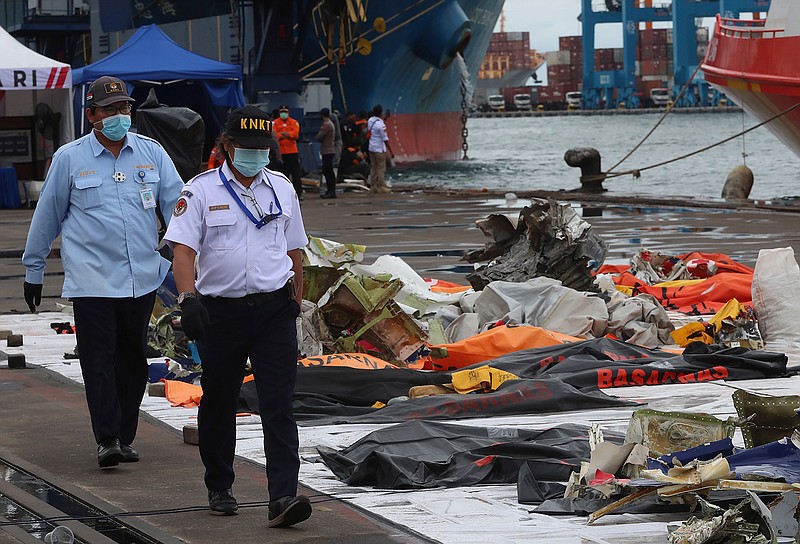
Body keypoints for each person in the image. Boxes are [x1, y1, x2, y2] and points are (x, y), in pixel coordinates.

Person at [21, 75, 184, 468]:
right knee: (98, 359)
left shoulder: (151, 153)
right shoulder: (70, 159)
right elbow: (47, 217)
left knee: (132, 360)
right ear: (91, 114)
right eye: (109, 110)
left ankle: (124, 435)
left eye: (123, 108)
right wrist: (34, 269)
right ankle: (107, 437)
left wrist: (196, 260)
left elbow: (181, 207)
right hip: (92, 278)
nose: (118, 116)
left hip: (141, 276)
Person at [163, 105, 312, 527]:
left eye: (262, 148)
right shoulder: (201, 192)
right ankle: (220, 485)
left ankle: (283, 495)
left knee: (279, 403)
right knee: (219, 400)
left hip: (273, 312)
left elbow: (295, 249)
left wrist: (296, 299)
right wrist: (187, 299)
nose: (255, 155)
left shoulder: (282, 188)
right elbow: (184, 251)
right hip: (221, 314)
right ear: (227, 146)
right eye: (246, 148)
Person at [273, 105, 303, 200]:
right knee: (283, 175)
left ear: (288, 112)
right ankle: (284, 194)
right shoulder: (275, 123)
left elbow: (295, 134)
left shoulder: (294, 122)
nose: (283, 113)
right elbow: (275, 135)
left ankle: (298, 193)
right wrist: (287, 135)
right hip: (281, 153)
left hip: (292, 152)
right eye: (282, 111)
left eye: (285, 111)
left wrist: (283, 134)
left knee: (296, 174)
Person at [367, 104, 395, 194]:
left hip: (371, 148)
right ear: (381, 112)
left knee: (373, 167)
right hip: (379, 149)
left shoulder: (370, 120)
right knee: (381, 168)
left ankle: (373, 186)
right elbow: (385, 139)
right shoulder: (381, 125)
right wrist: (391, 151)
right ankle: (381, 186)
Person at [337, 111, 370, 182]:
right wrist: (362, 157)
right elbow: (355, 162)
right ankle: (364, 179)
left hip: (345, 168)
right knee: (365, 166)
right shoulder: (350, 151)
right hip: (346, 170)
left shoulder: (352, 125)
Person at [316, 108, 336, 199]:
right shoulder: (331, 123)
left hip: (327, 150)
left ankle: (331, 191)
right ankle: (331, 190)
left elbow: (319, 136)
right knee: (328, 171)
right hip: (328, 150)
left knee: (328, 171)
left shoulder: (327, 125)